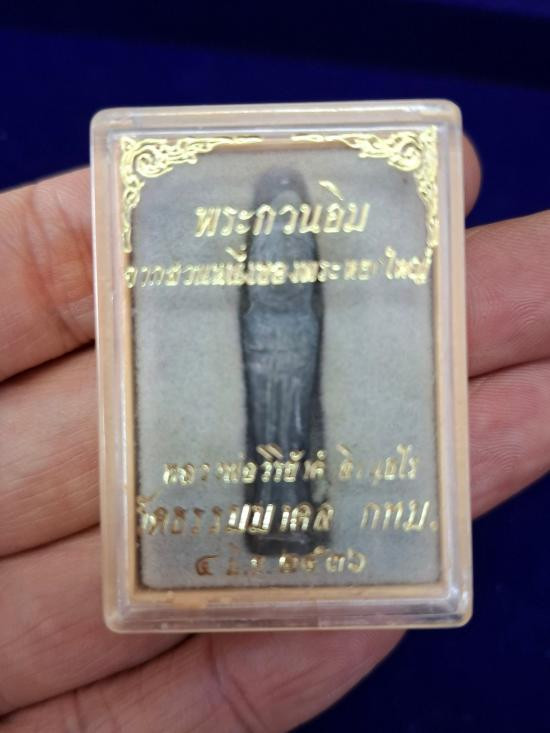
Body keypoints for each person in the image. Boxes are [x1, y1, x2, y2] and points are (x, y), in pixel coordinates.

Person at [0, 138, 548, 731]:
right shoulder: (254, 243)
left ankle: (300, 521)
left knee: (298, 431)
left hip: (298, 344)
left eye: (293, 213)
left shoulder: (308, 244)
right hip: (265, 347)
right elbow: (259, 296)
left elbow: (306, 293)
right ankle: (270, 524)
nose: (285, 222)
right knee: (270, 431)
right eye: (277, 212)